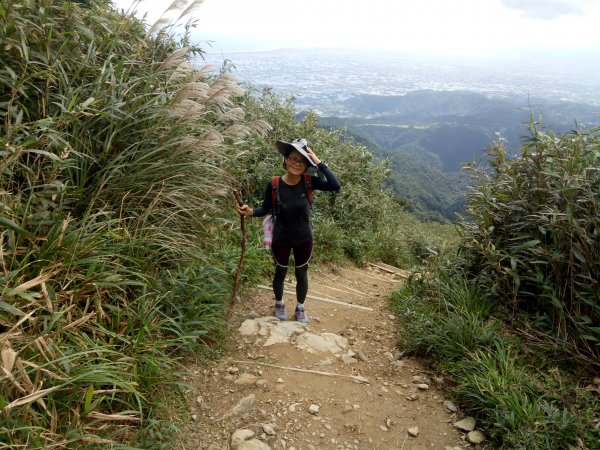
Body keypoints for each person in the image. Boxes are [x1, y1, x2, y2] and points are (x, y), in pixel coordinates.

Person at [236, 139, 341, 323]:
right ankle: (279, 304)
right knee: (280, 273)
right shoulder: (275, 184)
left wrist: (317, 160)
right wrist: (250, 211)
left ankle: (300, 308)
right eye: (293, 158)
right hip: (281, 238)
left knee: (302, 273)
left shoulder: (309, 182)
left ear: (306, 165)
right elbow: (265, 209)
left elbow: (335, 185)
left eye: (302, 161)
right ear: (285, 160)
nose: (297, 163)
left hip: (303, 238)